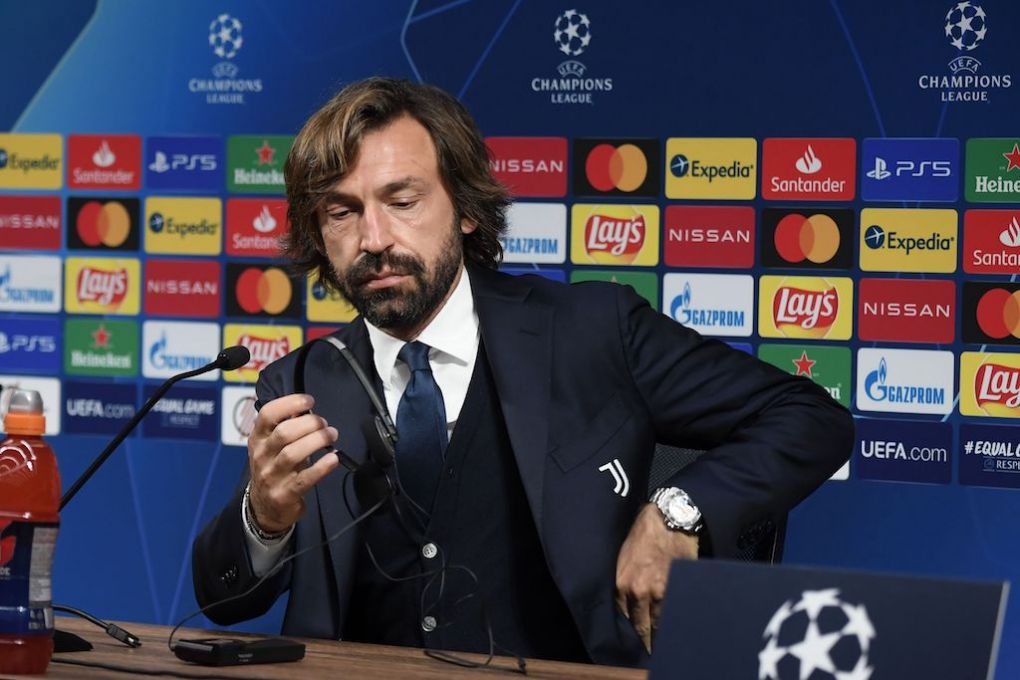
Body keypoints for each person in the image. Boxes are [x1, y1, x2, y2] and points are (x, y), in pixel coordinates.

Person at [192, 77, 853, 668]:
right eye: (342, 211)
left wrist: (674, 512)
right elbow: (223, 603)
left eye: (403, 200)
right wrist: (265, 518)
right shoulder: (301, 382)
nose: (373, 239)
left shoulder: (594, 330)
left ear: (468, 207)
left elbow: (811, 418)